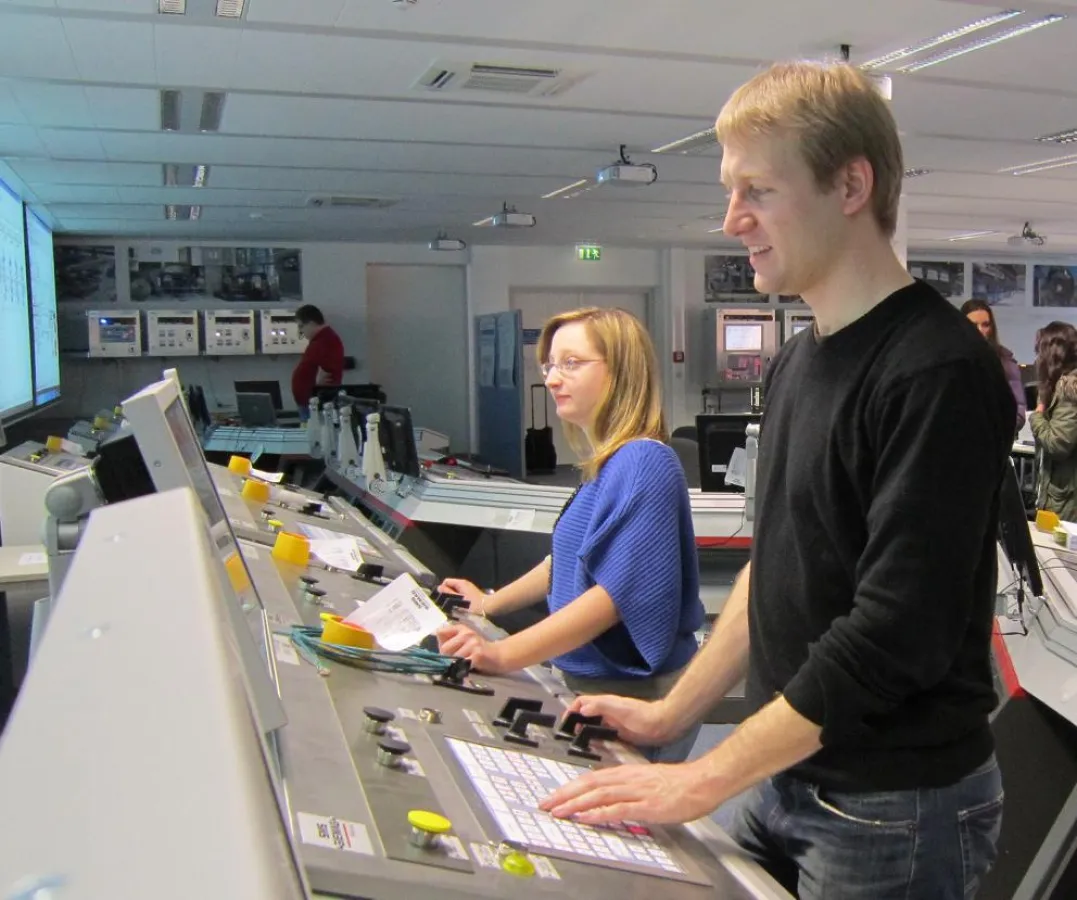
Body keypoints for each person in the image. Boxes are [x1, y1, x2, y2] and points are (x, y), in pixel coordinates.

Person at [540, 61, 1015, 900]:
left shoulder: (935, 370)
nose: (732, 219)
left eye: (756, 190)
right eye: (731, 192)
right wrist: (671, 716)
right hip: (788, 771)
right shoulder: (799, 359)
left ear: (850, 186)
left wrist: (701, 777)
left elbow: (893, 635)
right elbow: (779, 570)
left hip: (891, 808)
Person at [436, 307, 704, 762]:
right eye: (549, 366)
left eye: (571, 363)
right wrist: (487, 604)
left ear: (620, 370)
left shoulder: (645, 462)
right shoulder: (608, 463)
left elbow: (612, 599)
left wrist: (502, 655)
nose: (553, 379)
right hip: (591, 685)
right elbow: (563, 563)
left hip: (633, 699)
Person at [1029, 321, 1077, 520]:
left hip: (1065, 500)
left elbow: (1057, 444)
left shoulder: (1068, 389)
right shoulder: (1061, 385)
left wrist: (1038, 414)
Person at [961, 298, 1027, 431]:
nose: (980, 330)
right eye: (973, 325)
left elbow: (1018, 412)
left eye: (985, 324)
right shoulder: (950, 361)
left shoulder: (1005, 361)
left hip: (994, 437)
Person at [290, 304, 344, 420]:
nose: (301, 331)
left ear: (311, 323)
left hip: (317, 404)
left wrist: (317, 385)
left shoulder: (326, 340)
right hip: (311, 402)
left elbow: (328, 373)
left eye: (301, 326)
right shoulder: (321, 340)